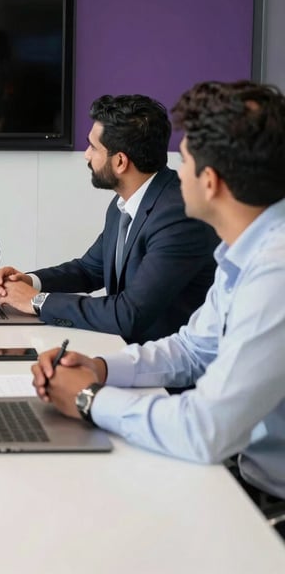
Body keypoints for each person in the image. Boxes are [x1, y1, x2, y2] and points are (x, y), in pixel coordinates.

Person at [31, 81, 285, 529]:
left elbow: (205, 429)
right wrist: (99, 367)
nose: (174, 171)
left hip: (267, 497)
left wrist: (89, 399)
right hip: (245, 472)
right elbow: (191, 349)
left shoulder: (275, 272)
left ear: (211, 182)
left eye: (183, 160)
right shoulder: (246, 252)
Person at [0, 94, 218, 344]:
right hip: (127, 353)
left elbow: (129, 313)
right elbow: (90, 269)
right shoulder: (124, 203)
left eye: (93, 147)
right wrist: (30, 281)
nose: (86, 155)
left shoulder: (178, 217)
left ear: (120, 161)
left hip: (167, 372)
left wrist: (36, 300)